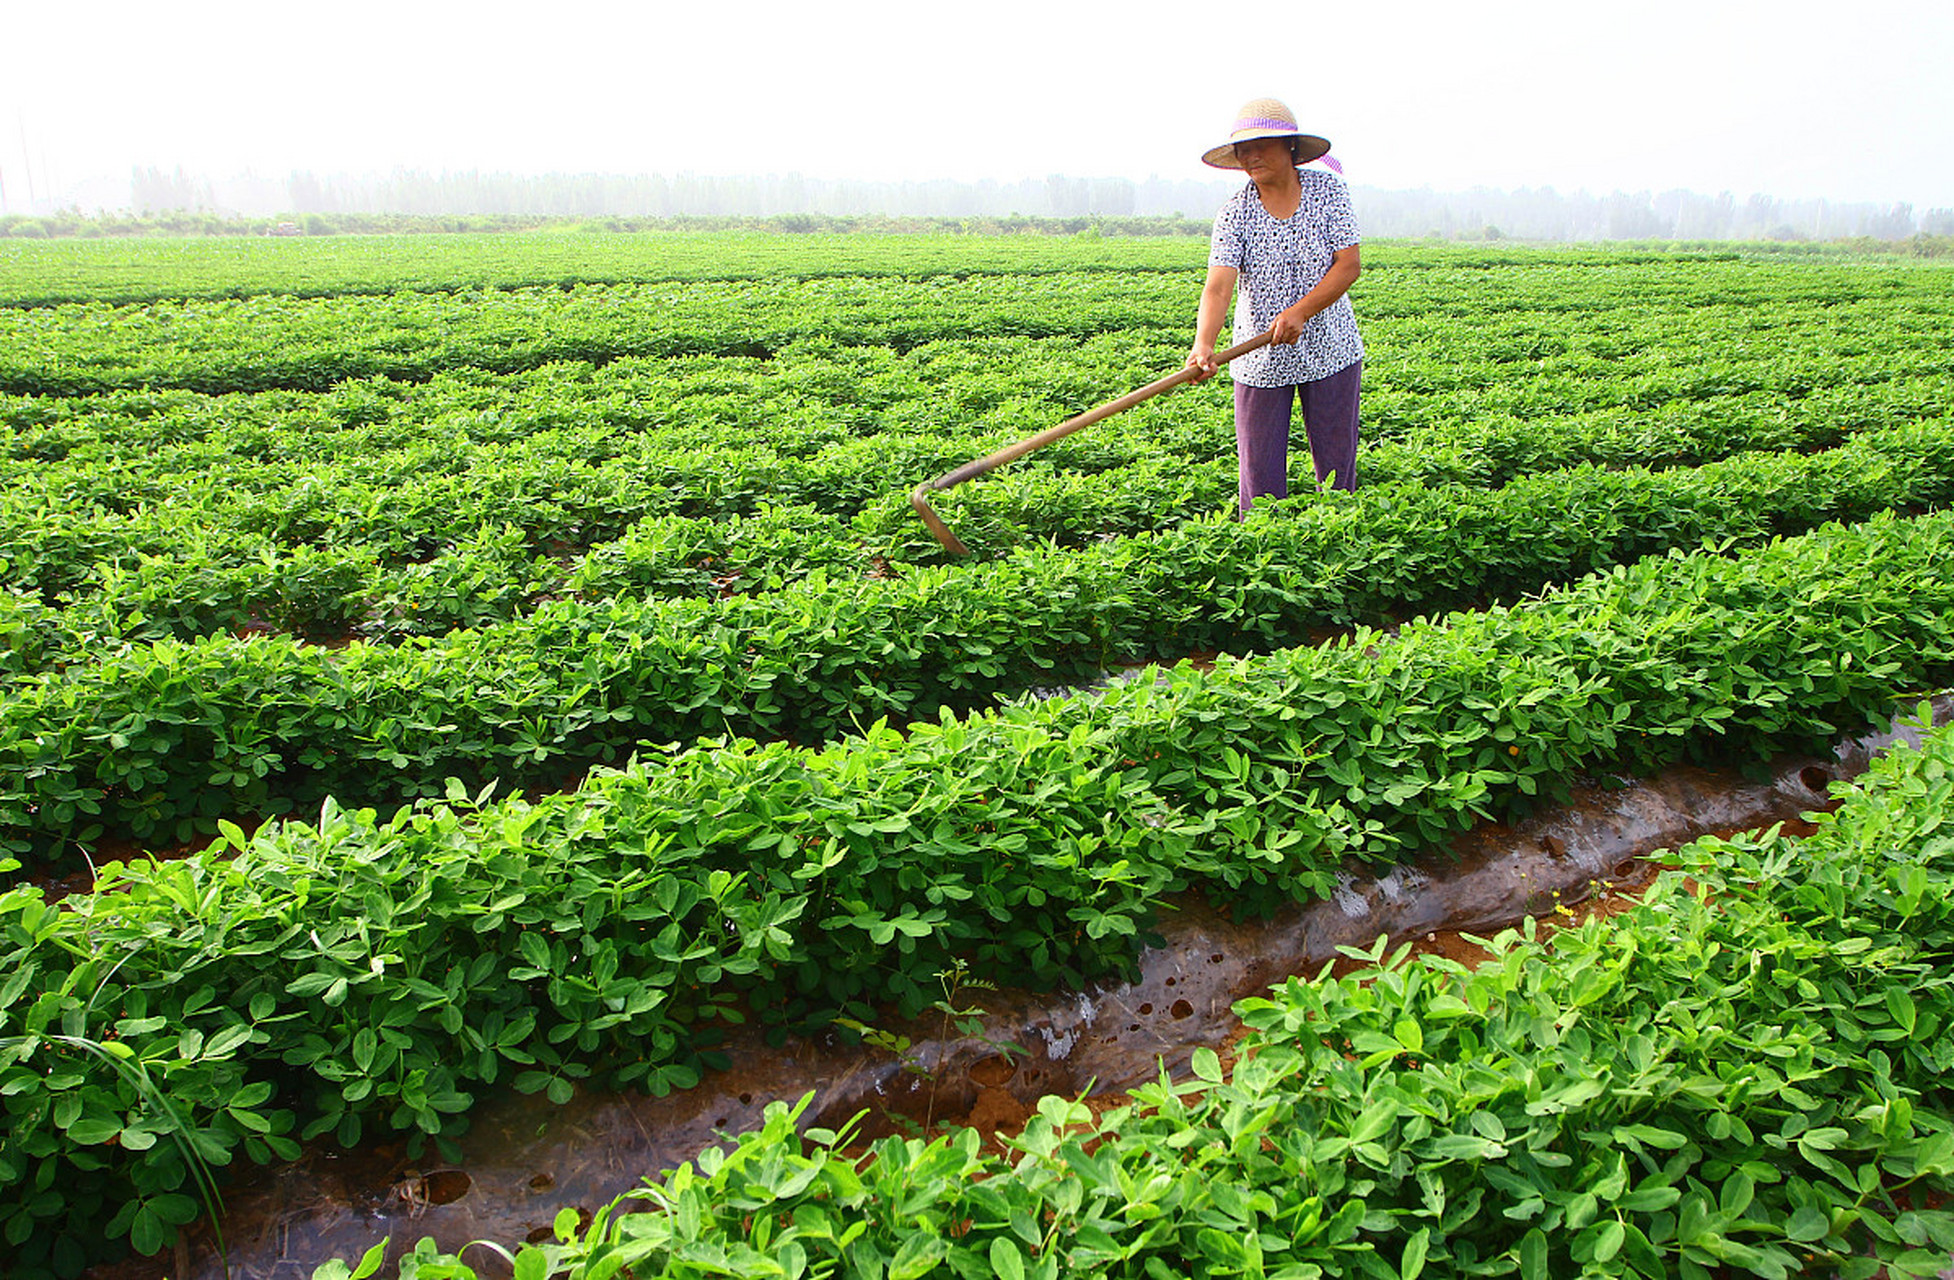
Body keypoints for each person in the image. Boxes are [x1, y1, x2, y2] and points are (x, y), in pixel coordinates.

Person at [1185, 97, 1364, 514]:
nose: (1250, 156)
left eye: (1261, 145)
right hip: (1259, 358)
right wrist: (1203, 345)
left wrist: (1301, 311)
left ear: (1290, 148)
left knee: (1337, 477)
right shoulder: (1235, 214)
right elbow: (1218, 287)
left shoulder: (1328, 192)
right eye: (1243, 149)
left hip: (1331, 350)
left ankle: (1337, 548)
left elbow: (1348, 265)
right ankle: (1265, 554)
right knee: (1260, 484)